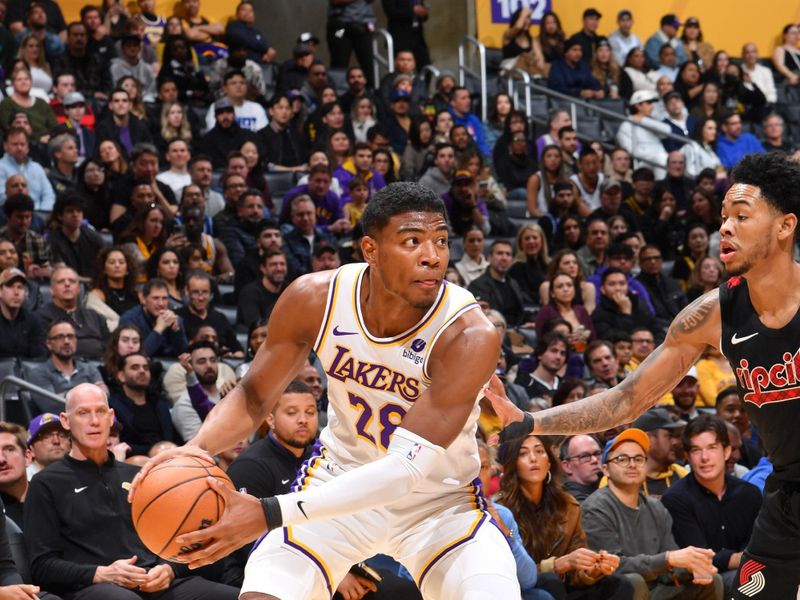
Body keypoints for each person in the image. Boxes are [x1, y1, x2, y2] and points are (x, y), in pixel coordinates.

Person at [129, 182, 521, 599]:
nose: (433, 255)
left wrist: (267, 513)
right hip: (336, 484)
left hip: (439, 505)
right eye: (412, 241)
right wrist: (195, 450)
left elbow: (404, 471)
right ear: (370, 250)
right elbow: (253, 395)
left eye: (441, 241)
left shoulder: (468, 332)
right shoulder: (315, 298)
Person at [486, 151, 800, 597]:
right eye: (724, 216)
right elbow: (626, 399)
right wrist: (531, 421)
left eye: (742, 216)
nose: (725, 227)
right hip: (786, 494)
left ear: (785, 226)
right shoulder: (712, 314)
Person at [25, 383, 239, 598]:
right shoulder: (45, 483)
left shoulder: (137, 475)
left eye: (100, 411)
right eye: (83, 413)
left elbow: (175, 540)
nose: (94, 421)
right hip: (93, 588)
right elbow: (42, 565)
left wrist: (169, 569)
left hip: (154, 582)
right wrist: (100, 573)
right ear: (65, 421)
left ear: (111, 417)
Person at [580, 428, 722, 599]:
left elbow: (670, 567)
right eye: (622, 459)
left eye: (639, 459)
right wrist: (668, 560)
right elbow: (613, 567)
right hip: (616, 591)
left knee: (712, 580)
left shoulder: (656, 508)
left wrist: (693, 567)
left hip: (656, 589)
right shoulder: (596, 508)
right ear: (606, 469)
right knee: (634, 582)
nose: (632, 464)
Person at [495, 433, 634, 599]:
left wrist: (593, 569)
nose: (533, 458)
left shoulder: (568, 505)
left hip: (562, 587)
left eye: (539, 451)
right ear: (512, 464)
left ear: (549, 462)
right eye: (523, 453)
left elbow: (575, 575)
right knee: (550, 581)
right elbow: (512, 573)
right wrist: (558, 565)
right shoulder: (500, 511)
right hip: (523, 590)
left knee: (620, 584)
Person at [222, 381, 320, 587]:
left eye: (310, 412)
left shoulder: (320, 458)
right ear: (270, 419)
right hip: (258, 573)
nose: (303, 420)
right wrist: (322, 573)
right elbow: (250, 543)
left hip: (315, 561)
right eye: (292, 413)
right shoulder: (250, 466)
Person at [661, 415, 762, 597]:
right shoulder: (675, 499)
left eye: (712, 448)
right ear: (688, 456)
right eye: (696, 450)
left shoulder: (750, 494)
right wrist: (738, 559)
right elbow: (698, 558)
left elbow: (757, 546)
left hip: (748, 571)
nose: (704, 457)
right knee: (749, 580)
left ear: (727, 451)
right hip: (698, 581)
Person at [29, 318, 106, 404]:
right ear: (49, 344)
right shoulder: (39, 373)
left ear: (76, 341)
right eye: (60, 337)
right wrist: (89, 393)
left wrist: (63, 396)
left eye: (70, 336)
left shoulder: (90, 369)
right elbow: (51, 404)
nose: (66, 341)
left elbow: (103, 396)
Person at [38, 265, 109, 359]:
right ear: (52, 290)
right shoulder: (41, 317)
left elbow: (110, 348)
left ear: (79, 289)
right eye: (61, 281)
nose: (67, 284)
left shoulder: (95, 316)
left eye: (72, 281)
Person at [119, 278, 188, 358]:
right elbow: (136, 356)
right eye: (155, 298)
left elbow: (184, 355)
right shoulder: (129, 319)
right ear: (143, 299)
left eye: (164, 298)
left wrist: (176, 331)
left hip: (169, 365)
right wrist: (159, 329)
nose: (161, 303)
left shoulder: (173, 318)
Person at [0, 266, 46, 359]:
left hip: (27, 371)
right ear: (0, 291)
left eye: (20, 287)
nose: (16, 292)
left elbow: (39, 358)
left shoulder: (33, 320)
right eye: (10, 286)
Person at [560, 434, 603, 503]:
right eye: (584, 456)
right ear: (567, 466)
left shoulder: (603, 485)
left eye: (597, 453)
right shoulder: (571, 502)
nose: (594, 460)